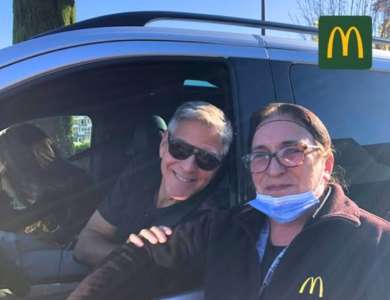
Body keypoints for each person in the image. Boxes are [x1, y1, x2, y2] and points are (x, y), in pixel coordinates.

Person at [67, 102, 390, 300]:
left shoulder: (377, 245)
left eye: (292, 152)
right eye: (261, 155)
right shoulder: (225, 227)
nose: (274, 169)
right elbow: (139, 256)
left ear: (327, 164)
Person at [73, 101, 233, 267]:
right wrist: (131, 256)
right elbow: (84, 245)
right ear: (163, 144)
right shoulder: (141, 172)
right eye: (180, 148)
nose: (188, 167)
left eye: (207, 159)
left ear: (218, 166)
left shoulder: (209, 222)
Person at [0, 123, 97, 288]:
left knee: (8, 248)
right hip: (52, 246)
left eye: (9, 156)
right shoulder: (17, 184)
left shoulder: (69, 181)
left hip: (77, 251)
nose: (8, 163)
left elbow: (13, 222)